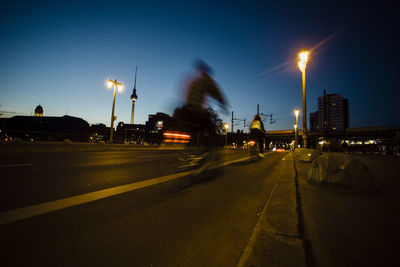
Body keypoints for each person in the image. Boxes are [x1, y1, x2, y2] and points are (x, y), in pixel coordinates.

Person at [173, 59, 227, 147]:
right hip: (196, 110)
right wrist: (223, 104)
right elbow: (216, 92)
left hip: (186, 109)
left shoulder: (194, 80)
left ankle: (190, 150)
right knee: (210, 125)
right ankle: (210, 146)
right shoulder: (207, 80)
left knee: (196, 129)